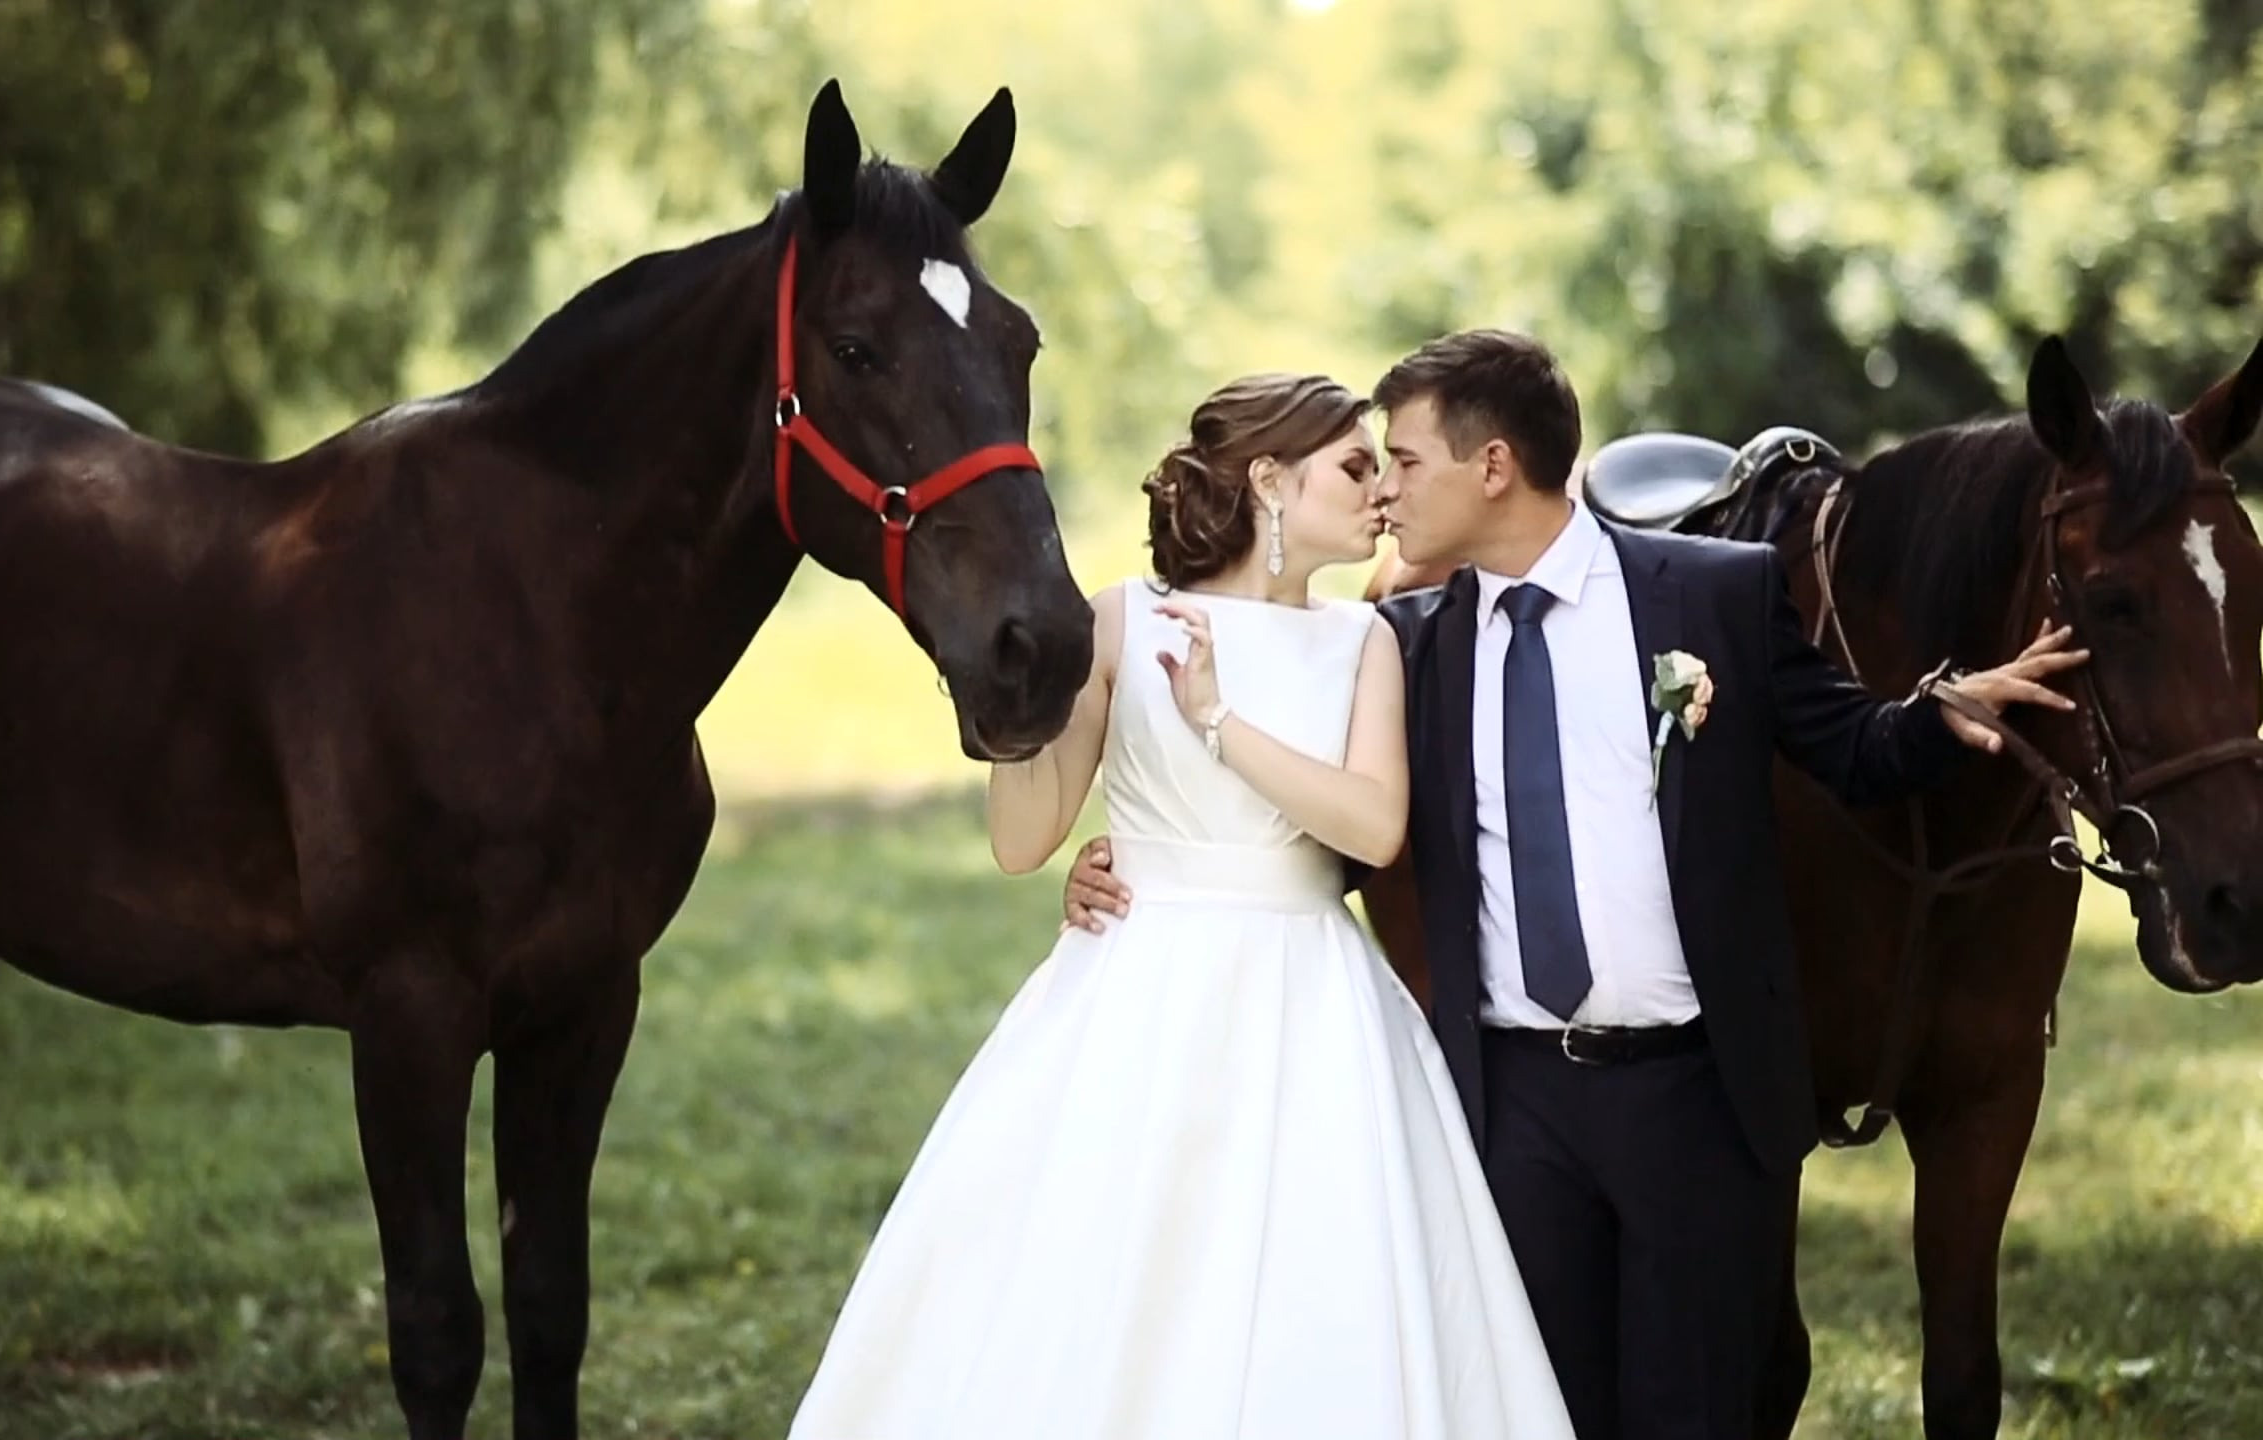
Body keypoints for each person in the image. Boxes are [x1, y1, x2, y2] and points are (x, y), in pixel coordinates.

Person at [1060, 332, 2088, 1440]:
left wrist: (1946, 711)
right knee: (1543, 1412)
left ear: (1492, 467)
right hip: (1515, 1110)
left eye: (1404, 461)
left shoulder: (1713, 595)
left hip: (1698, 1097)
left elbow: (1850, 747)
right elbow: (1334, 832)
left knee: (1705, 1412)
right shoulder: (1404, 645)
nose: (1385, 491)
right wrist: (1145, 866)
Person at [787, 373, 1577, 1440]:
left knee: (1322, 1281)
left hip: (1315, 1002)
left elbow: (1372, 827)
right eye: (1354, 466)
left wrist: (1217, 721)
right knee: (1117, 1269)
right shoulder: (1124, 618)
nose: (1380, 491)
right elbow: (1021, 842)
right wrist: (1014, 706)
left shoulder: (1364, 642)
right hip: (1138, 987)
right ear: (1269, 480)